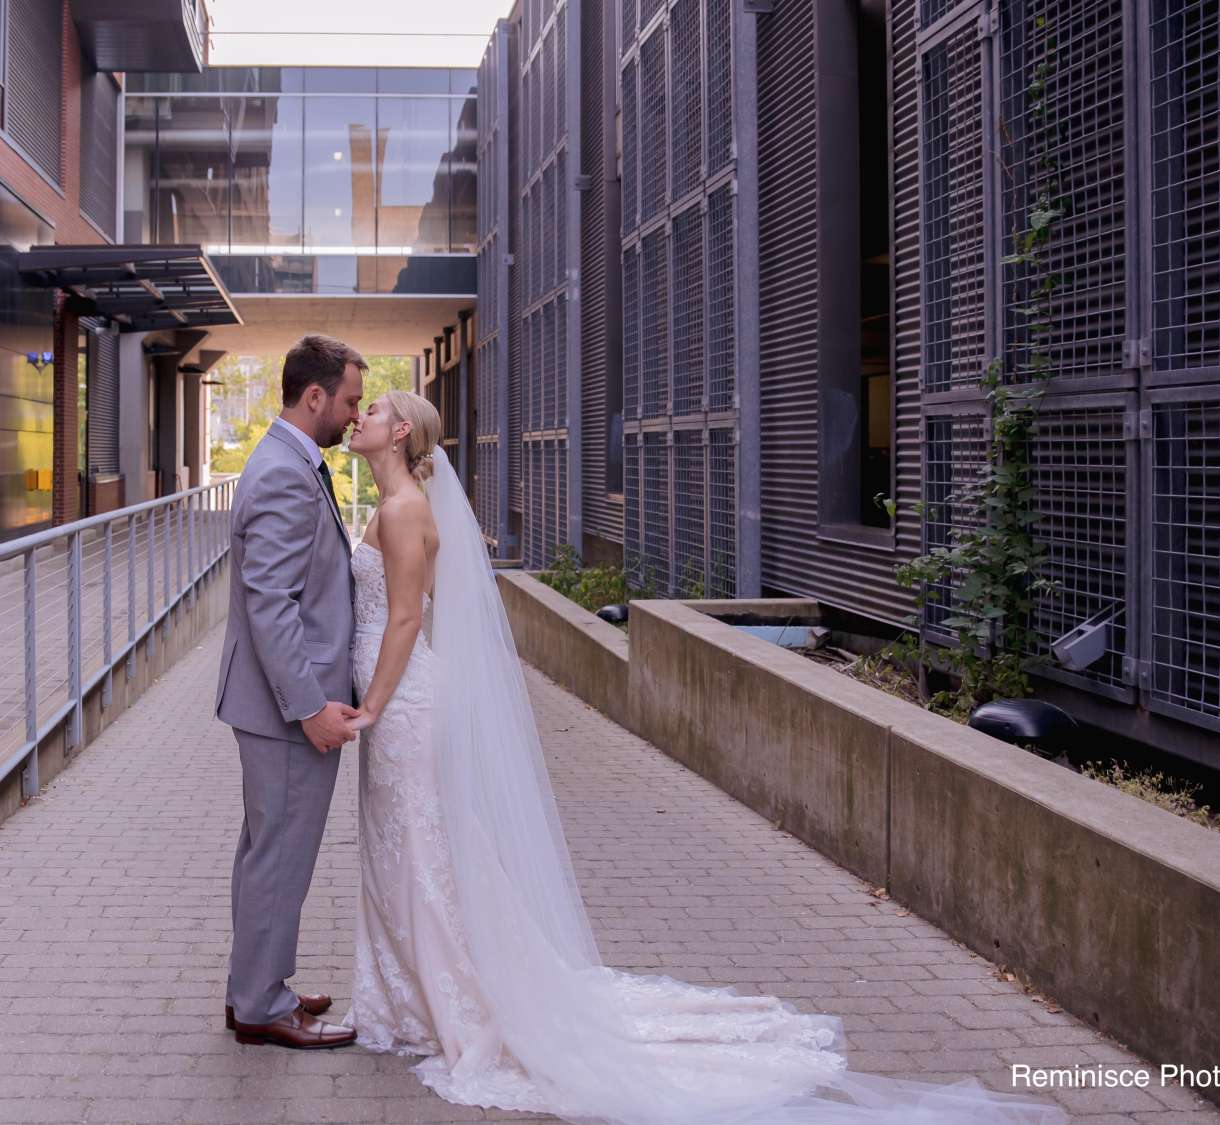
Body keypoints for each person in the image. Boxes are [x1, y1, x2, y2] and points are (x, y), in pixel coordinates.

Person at [339, 388, 1065, 1124]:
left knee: (422, 852)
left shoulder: (402, 511)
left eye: (371, 412)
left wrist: (373, 705)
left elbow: (405, 617)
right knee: (409, 850)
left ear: (400, 432)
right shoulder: (392, 505)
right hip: (399, 702)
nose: (358, 418)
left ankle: (441, 998)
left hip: (403, 705)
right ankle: (412, 993)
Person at [213, 334, 368, 1050]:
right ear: (315, 396)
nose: (352, 414)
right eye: (348, 400)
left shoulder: (292, 462)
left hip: (276, 708)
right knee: (279, 855)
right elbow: (270, 602)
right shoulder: (282, 472)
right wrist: (310, 707)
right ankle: (260, 1005)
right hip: (285, 714)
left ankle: (259, 984)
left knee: (270, 852)